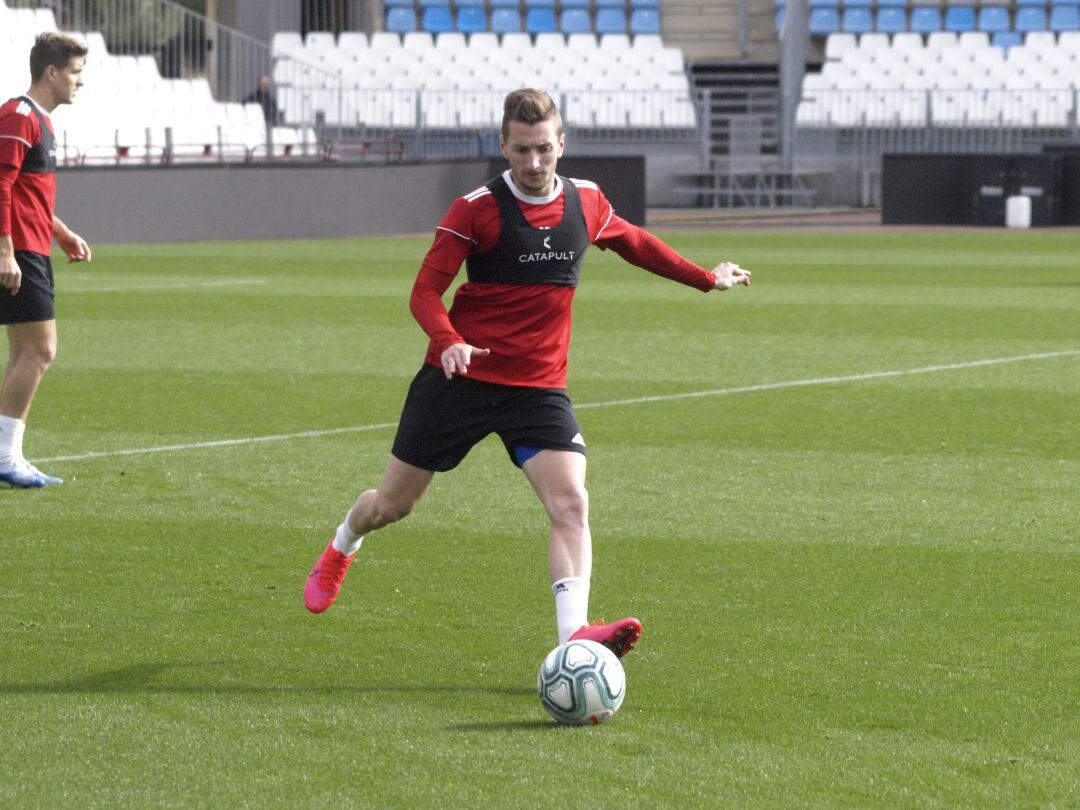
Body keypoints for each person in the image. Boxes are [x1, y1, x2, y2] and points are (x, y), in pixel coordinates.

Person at [303, 88, 750, 659]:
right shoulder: (475, 209)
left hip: (538, 388)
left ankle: (575, 641)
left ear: (562, 143)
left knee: (572, 504)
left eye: (544, 149)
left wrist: (705, 278)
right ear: (503, 147)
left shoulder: (587, 201)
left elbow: (637, 244)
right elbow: (423, 292)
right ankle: (344, 543)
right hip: (459, 382)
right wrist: (449, 341)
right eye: (521, 151)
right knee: (393, 506)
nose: (534, 164)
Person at [0, 33, 92, 489]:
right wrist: (5, 251)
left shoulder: (40, 121)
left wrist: (61, 232)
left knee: (23, 351)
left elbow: (26, 193)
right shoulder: (18, 115)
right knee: (42, 350)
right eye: (75, 72)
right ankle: (5, 456)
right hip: (18, 252)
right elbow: (0, 184)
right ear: (51, 72)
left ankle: (9, 455)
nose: (81, 82)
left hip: (32, 246)